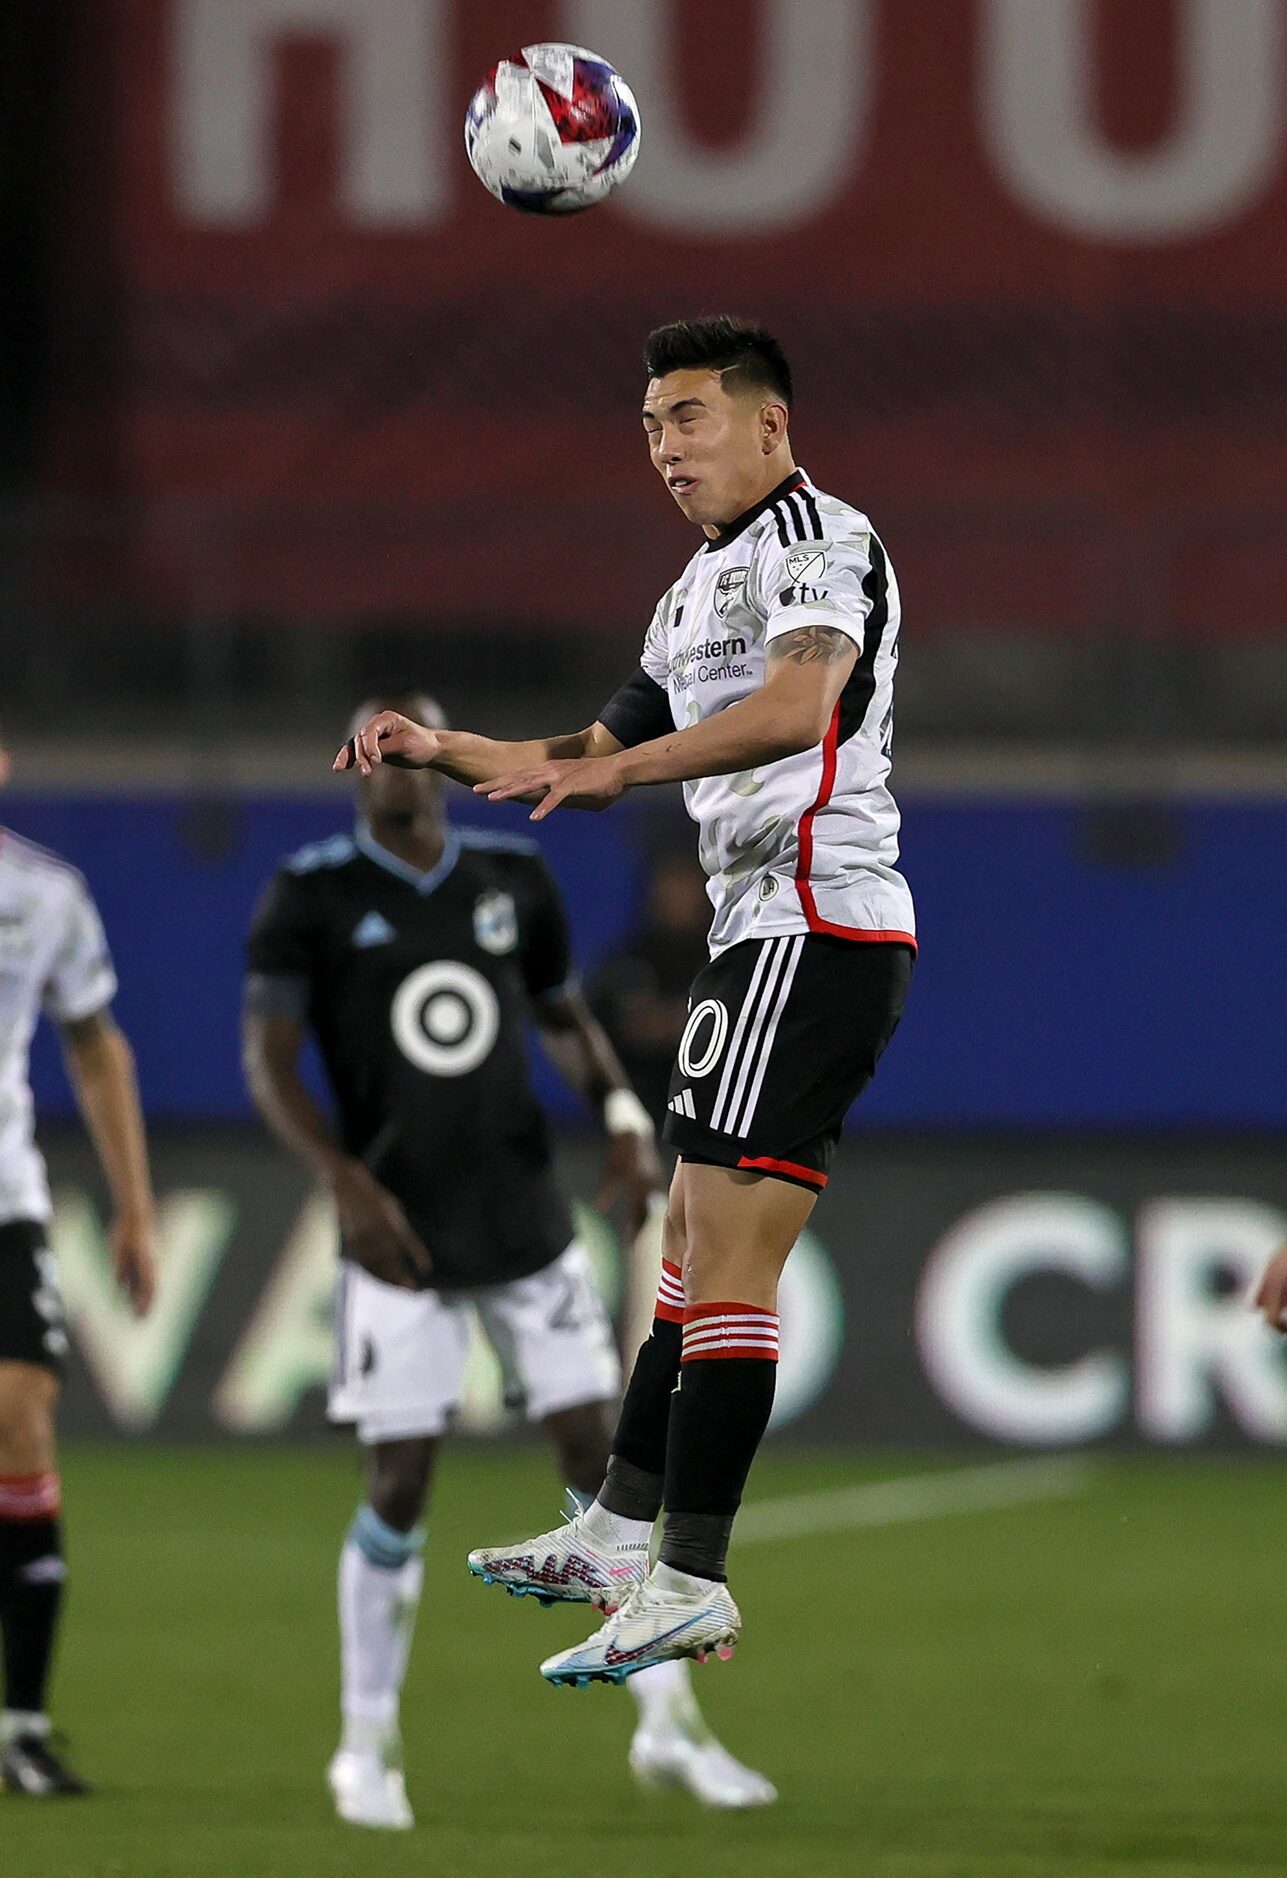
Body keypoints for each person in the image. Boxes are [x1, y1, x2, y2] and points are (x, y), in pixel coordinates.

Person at [336, 316, 915, 1691]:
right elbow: (582, 749)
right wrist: (442, 744)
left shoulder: (821, 540)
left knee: (723, 1247)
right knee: (683, 1233)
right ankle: (614, 1529)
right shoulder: (685, 592)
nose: (665, 446)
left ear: (769, 425)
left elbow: (797, 707)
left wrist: (629, 772)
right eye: (651, 424)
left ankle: (692, 1576)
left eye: (691, 418)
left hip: (818, 919)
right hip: (751, 932)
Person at [245, 690, 776, 1829]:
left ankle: (671, 1726)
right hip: (400, 1235)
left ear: (436, 755)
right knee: (399, 1482)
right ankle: (366, 1745)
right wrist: (343, 1180)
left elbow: (564, 1019)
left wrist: (629, 1124)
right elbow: (270, 1060)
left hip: (526, 1221)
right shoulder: (312, 894)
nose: (394, 764)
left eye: (411, 740)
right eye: (374, 746)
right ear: (351, 767)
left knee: (609, 1478)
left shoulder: (509, 882)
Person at [0, 739, 158, 1794]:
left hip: (4, 1200)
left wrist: (134, 1211)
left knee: (21, 1408)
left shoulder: (43, 894)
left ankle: (20, 1724)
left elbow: (96, 1044)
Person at [588, 850, 711, 1130]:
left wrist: (677, 1024)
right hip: (636, 1120)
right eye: (668, 883)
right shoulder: (628, 959)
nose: (676, 895)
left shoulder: (724, 960)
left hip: (711, 1128)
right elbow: (598, 1030)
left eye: (685, 884)